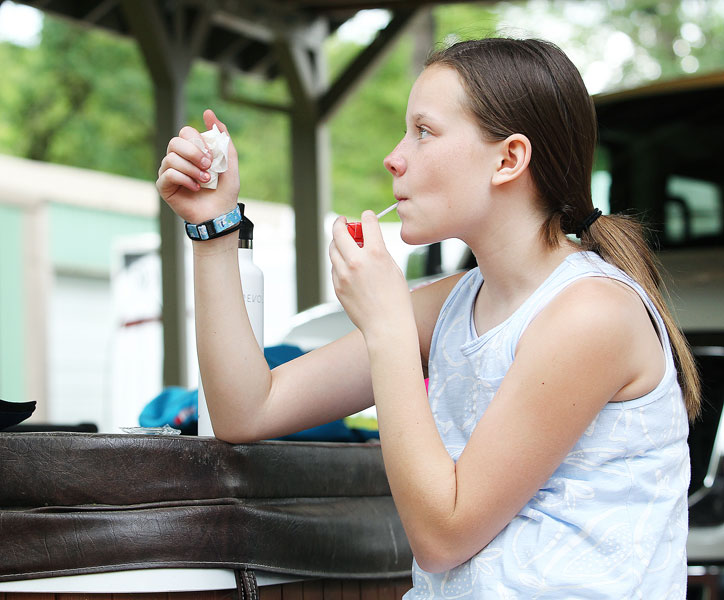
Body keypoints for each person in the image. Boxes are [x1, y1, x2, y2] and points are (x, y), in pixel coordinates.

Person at [156, 37, 700, 598]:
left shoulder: (591, 313)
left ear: (509, 159)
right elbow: (246, 410)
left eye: (424, 131)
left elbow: (443, 536)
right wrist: (214, 231)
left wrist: (386, 323)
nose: (394, 156)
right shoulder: (454, 303)